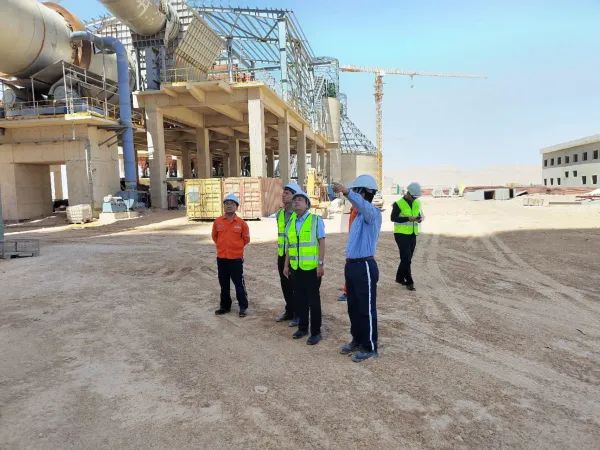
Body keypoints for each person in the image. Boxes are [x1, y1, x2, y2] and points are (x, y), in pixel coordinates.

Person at [332, 175, 382, 362]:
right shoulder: (358, 215)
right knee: (353, 307)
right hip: (352, 266)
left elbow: (362, 205)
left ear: (365, 192)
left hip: (365, 266)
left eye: (356, 191)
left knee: (366, 309)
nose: (353, 195)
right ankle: (357, 340)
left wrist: (346, 191)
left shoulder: (372, 213)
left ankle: (369, 347)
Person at [283, 190, 326, 345]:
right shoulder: (291, 222)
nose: (296, 202)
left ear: (307, 204)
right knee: (299, 299)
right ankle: (302, 328)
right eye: (295, 200)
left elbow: (322, 242)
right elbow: (290, 246)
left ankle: (316, 332)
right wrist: (286, 265)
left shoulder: (315, 220)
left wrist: (320, 264)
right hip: (296, 268)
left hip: (311, 268)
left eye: (300, 199)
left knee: (313, 301)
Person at [212, 193, 250, 317]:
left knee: (239, 284)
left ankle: (243, 307)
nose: (229, 206)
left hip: (235, 259)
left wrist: (236, 248)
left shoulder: (242, 223)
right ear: (223, 206)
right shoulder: (218, 222)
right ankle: (225, 306)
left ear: (236, 207)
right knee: (224, 284)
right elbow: (215, 237)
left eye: (232, 204)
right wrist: (223, 246)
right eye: (226, 204)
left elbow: (246, 239)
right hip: (222, 258)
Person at [275, 182, 302, 326]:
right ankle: (289, 311)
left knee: (296, 286)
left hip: (294, 256)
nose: (283, 195)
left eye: (287, 193)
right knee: (285, 285)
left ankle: (298, 314)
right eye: (283, 192)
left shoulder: (298, 215)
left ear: (294, 196)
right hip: (282, 255)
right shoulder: (279, 214)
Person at [391, 182, 424, 291]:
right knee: (406, 259)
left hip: (412, 233)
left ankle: (399, 278)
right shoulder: (398, 204)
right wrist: (408, 218)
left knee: (407, 258)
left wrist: (419, 219)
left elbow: (420, 215)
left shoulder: (417, 202)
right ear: (408, 193)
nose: (415, 199)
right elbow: (393, 218)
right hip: (401, 234)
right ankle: (409, 281)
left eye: (416, 197)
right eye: (413, 197)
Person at [337, 205, 359, 301]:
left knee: (352, 267)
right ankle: (348, 288)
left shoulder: (359, 207)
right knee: (351, 266)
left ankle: (348, 292)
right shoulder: (354, 207)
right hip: (353, 240)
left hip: (356, 242)